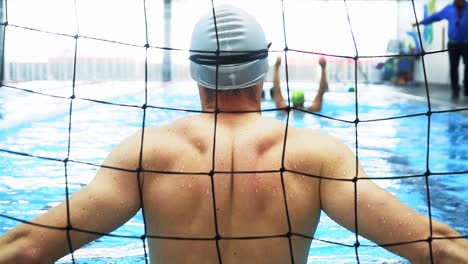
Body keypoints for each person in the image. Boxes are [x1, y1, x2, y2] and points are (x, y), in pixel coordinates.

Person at [1, 5, 467, 264]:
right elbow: (440, 248)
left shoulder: (145, 153)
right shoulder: (316, 153)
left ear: (193, 71)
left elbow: (25, 250)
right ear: (264, 70)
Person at [413, 0, 468, 100]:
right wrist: (421, 22)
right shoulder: (449, 8)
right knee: (453, 68)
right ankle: (455, 91)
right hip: (453, 44)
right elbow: (436, 16)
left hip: (466, 43)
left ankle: (467, 90)